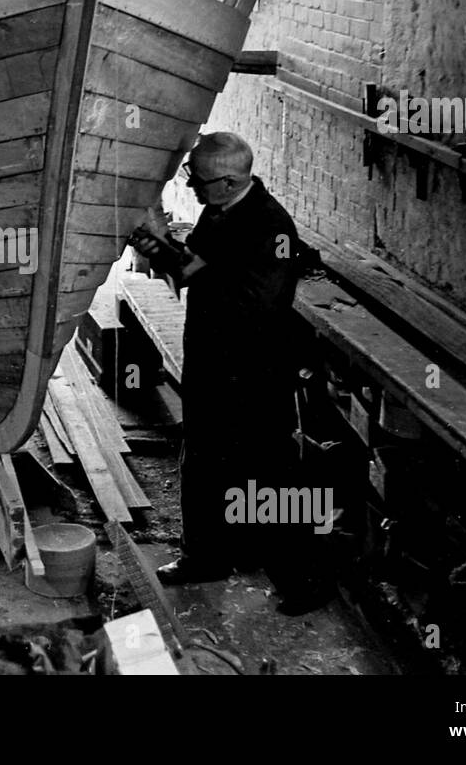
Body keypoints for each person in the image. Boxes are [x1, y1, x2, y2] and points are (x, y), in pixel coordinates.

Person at [129, 131, 331, 615]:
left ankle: (302, 583)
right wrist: (156, 248)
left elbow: (253, 307)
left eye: (195, 180)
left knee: (267, 474)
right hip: (212, 361)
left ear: (226, 181)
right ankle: (206, 557)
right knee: (202, 459)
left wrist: (185, 266)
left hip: (253, 372)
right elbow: (199, 263)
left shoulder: (271, 228)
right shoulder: (220, 209)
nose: (190, 187)